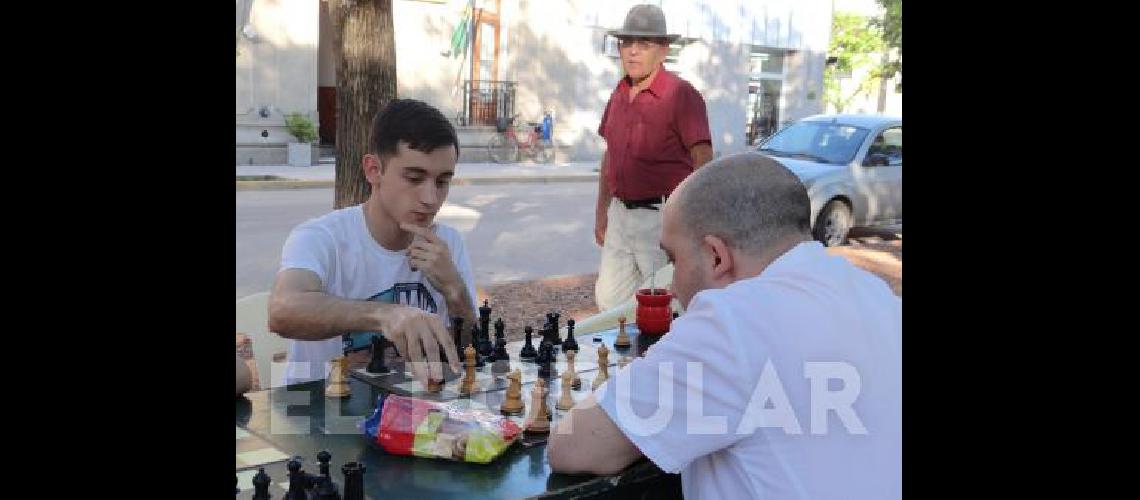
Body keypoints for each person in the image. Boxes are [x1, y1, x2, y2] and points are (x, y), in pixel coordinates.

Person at [548, 153, 902, 499]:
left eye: (674, 259)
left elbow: (572, 446)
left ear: (717, 256)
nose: (672, 287)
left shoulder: (735, 320)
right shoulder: (872, 290)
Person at [268, 99, 475, 388]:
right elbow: (282, 311)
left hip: (412, 412)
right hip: (323, 413)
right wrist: (385, 315)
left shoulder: (447, 242)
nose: (430, 198)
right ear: (373, 170)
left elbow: (469, 351)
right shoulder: (320, 237)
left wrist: (455, 292)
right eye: (414, 178)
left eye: (442, 182)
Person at [593, 3, 714, 311]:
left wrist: (689, 221)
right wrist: (601, 212)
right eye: (626, 43)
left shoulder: (681, 95)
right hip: (620, 215)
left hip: (660, 217)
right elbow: (610, 155)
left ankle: (659, 359)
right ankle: (625, 360)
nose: (632, 51)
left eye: (643, 44)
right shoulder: (619, 93)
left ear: (663, 50)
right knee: (609, 301)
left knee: (663, 306)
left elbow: (703, 158)